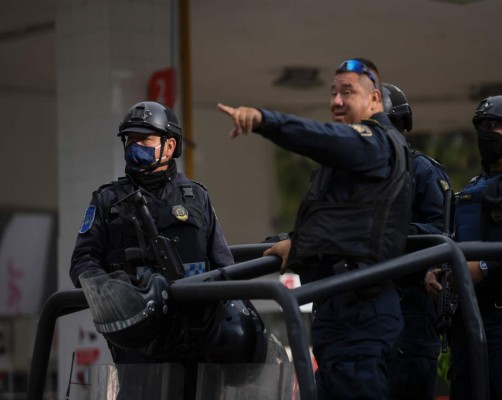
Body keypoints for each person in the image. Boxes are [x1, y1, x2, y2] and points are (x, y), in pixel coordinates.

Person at [218, 58, 412, 400]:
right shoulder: (351, 158)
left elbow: (323, 138)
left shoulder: (375, 143)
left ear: (374, 100)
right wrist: (298, 242)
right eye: (333, 93)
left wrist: (265, 120)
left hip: (360, 310)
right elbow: (342, 221)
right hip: (339, 307)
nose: (336, 101)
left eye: (347, 92)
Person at [70, 101, 234, 398]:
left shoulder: (196, 197)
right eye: (129, 139)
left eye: (143, 139)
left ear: (169, 146)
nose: (134, 146)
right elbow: (82, 263)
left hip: (195, 340)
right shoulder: (108, 201)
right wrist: (120, 291)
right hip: (139, 345)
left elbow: (224, 266)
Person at [425, 95, 502, 399]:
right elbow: (453, 243)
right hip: (467, 327)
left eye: (493, 125)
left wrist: (484, 268)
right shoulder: (470, 190)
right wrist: (438, 270)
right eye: (480, 126)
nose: (485, 133)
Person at [382, 83, 450, 400]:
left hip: (410, 306)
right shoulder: (350, 178)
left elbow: (444, 231)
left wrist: (396, 232)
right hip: (361, 308)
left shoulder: (421, 171)